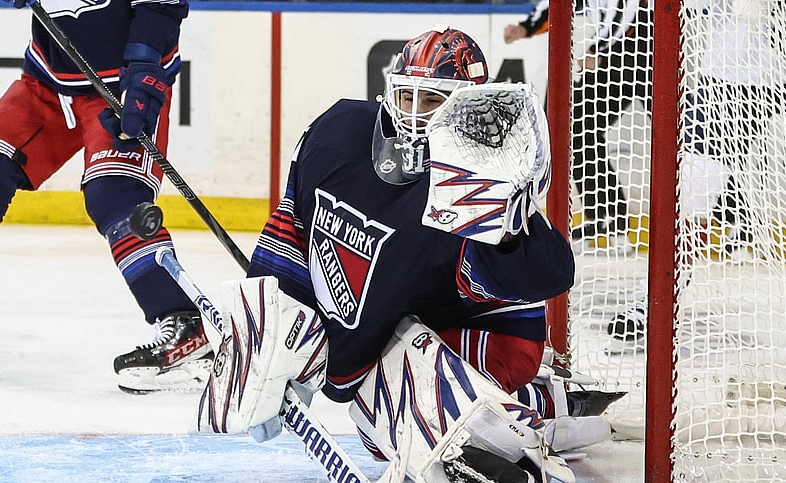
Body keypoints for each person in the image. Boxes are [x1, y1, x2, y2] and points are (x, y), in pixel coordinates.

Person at [195, 26, 620, 482]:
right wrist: (264, 340)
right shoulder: (336, 134)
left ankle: (530, 415)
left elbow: (548, 274)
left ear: (467, 107)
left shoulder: (472, 181)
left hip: (484, 333)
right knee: (379, 424)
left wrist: (508, 228)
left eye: (433, 102)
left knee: (407, 381)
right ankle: (529, 402)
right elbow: (288, 239)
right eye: (406, 98)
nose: (415, 118)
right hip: (399, 322)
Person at [0, 0, 213, 393]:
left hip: (121, 85)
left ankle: (186, 324)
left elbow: (160, 6)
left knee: (115, 198)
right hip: (46, 82)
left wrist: (145, 70)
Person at [607, 0, 786, 352]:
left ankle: (656, 297)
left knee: (694, 193)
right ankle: (653, 298)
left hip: (759, 90)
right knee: (687, 196)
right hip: (715, 88)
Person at [505, 0, 653, 253]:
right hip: (618, 53)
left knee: (679, 136)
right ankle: (606, 220)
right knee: (576, 131)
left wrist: (602, 50)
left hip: (643, 51)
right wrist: (527, 26)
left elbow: (629, 14)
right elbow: (558, 4)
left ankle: (732, 214)